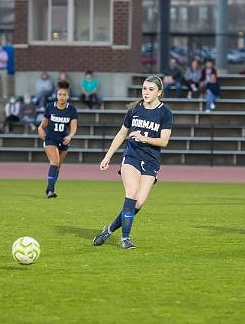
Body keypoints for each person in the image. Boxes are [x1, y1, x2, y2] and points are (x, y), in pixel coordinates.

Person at [93, 75, 173, 249]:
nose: (146, 92)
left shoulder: (165, 113)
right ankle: (125, 238)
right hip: (132, 156)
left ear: (159, 92)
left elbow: (164, 141)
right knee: (132, 191)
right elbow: (122, 134)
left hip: (151, 161)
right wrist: (107, 156)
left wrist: (144, 138)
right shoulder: (135, 108)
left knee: (139, 202)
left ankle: (109, 230)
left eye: (151, 89)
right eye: (144, 88)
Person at [37, 81, 78, 198]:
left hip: (64, 140)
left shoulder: (72, 110)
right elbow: (43, 124)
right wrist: (40, 129)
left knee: (58, 166)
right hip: (50, 139)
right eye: (60, 94)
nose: (62, 97)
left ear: (68, 97)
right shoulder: (50, 107)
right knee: (54, 162)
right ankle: (50, 191)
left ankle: (50, 189)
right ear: (57, 95)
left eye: (64, 95)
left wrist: (70, 136)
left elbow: (74, 128)